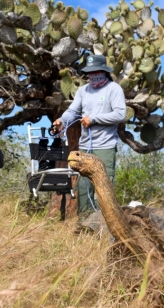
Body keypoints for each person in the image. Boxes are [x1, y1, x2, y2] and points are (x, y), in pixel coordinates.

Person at [53, 55, 126, 214]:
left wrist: (94, 119)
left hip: (105, 147)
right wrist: (61, 121)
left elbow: (120, 114)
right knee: (83, 187)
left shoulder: (114, 89)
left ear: (104, 71)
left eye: (96, 71)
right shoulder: (82, 90)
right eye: (90, 72)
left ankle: (106, 229)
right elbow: (73, 111)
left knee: (104, 189)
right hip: (85, 147)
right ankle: (85, 228)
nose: (93, 75)